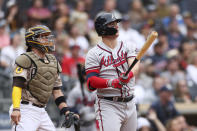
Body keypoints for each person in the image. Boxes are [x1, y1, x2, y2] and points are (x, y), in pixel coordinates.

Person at [9, 25, 79, 131]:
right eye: (43, 37)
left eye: (47, 37)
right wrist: (16, 109)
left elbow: (57, 92)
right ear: (33, 40)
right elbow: (17, 86)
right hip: (25, 109)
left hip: (42, 111)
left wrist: (66, 111)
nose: (47, 40)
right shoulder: (25, 59)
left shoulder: (52, 61)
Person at [85, 12, 140, 131]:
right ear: (103, 28)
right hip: (108, 104)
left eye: (116, 23)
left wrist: (129, 75)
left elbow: (135, 65)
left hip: (130, 102)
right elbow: (91, 82)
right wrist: (112, 82)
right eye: (112, 24)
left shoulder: (128, 45)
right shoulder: (93, 53)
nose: (116, 26)